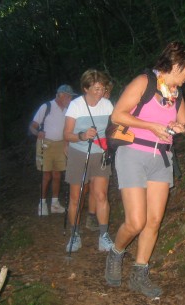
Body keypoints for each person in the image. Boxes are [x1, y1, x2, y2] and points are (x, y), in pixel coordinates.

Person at [105, 41, 185, 298]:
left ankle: (139, 273)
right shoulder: (143, 82)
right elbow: (118, 116)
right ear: (176, 65)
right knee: (136, 221)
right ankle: (116, 252)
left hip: (162, 158)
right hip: (132, 154)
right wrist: (149, 126)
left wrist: (182, 128)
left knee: (153, 221)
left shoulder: (176, 94)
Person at [63, 69, 114, 253]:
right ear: (86, 88)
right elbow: (67, 134)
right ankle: (74, 235)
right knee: (76, 197)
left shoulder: (107, 105)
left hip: (100, 153)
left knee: (101, 195)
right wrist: (83, 135)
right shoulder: (75, 106)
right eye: (96, 89)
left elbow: (115, 126)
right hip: (79, 153)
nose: (100, 92)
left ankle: (103, 236)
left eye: (102, 88)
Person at [29, 84, 76, 216]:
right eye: (68, 96)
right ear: (61, 95)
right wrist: (37, 132)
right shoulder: (46, 107)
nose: (70, 99)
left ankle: (55, 204)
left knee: (57, 174)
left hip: (62, 144)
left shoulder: (69, 109)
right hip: (46, 144)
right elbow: (33, 125)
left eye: (70, 97)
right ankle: (42, 203)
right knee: (46, 175)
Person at [85, 79, 114, 231]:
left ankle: (94, 217)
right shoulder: (90, 107)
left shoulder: (108, 108)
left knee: (99, 188)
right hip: (90, 150)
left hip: (104, 151)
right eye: (103, 91)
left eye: (107, 92)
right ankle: (91, 216)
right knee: (94, 185)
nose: (105, 94)